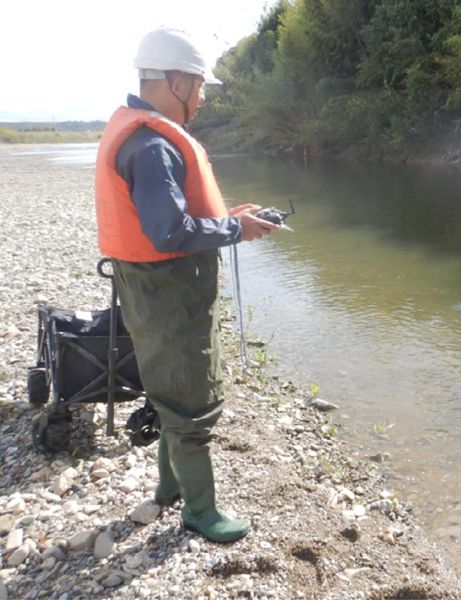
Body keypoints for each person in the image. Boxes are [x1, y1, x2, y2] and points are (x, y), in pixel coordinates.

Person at [94, 27, 277, 543]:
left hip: (154, 289)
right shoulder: (151, 146)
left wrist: (231, 215)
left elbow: (175, 216)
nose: (200, 98)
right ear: (174, 81)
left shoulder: (139, 134)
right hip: (168, 293)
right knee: (188, 399)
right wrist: (237, 229)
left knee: (169, 388)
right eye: (198, 86)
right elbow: (169, 231)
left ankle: (169, 490)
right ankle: (200, 512)